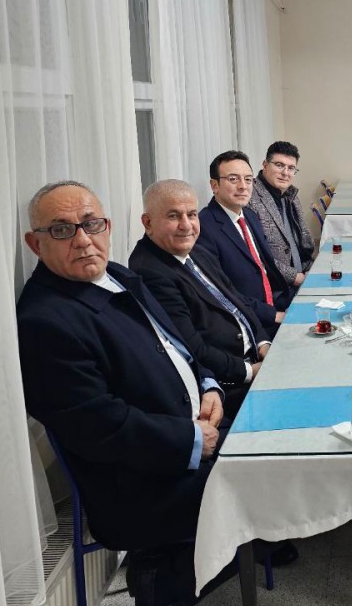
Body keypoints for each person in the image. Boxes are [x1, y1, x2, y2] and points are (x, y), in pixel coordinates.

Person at [17, 181, 226, 606]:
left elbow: (178, 343)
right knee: (255, 490)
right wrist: (191, 438)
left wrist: (208, 383)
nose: (82, 240)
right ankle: (154, 577)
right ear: (35, 243)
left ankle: (176, 573)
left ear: (107, 226)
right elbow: (98, 425)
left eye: (91, 224)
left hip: (185, 429)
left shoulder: (116, 274)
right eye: (61, 230)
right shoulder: (44, 321)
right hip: (135, 479)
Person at [129, 179, 273, 420]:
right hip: (229, 385)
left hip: (254, 357)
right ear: (148, 223)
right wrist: (251, 370)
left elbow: (237, 302)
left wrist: (263, 343)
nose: (186, 225)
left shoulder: (195, 250)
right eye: (173, 216)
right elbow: (193, 348)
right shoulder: (150, 271)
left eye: (192, 214)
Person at [196, 150, 290, 332]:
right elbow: (221, 292)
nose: (243, 186)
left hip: (277, 302)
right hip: (249, 321)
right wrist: (274, 315)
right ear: (214, 185)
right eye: (233, 179)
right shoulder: (204, 227)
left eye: (248, 179)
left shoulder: (250, 216)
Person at [248, 141, 314, 291]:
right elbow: (256, 253)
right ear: (265, 165)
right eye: (279, 165)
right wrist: (295, 277)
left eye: (291, 168)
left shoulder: (291, 194)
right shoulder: (250, 198)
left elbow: (304, 241)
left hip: (304, 275)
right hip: (279, 288)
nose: (285, 173)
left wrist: (311, 268)